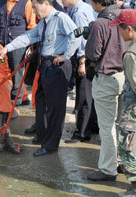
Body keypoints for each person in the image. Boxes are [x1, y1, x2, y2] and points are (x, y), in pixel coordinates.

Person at [0, 0, 80, 156]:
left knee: (55, 108)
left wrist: (66, 56)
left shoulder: (61, 18)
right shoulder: (45, 22)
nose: (33, 10)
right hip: (45, 64)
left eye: (35, 7)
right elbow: (29, 36)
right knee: (40, 100)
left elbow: (76, 35)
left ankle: (50, 145)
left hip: (57, 65)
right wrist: (7, 48)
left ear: (46, 3)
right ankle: (42, 136)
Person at [85, 0, 127, 181]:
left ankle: (108, 170)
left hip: (107, 76)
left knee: (107, 127)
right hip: (126, 75)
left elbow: (93, 53)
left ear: (96, 2)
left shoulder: (100, 23)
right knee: (122, 124)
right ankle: (123, 162)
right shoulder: (124, 15)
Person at [61, 0, 97, 143]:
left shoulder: (80, 12)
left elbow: (83, 40)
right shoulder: (85, 8)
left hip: (84, 59)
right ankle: (90, 127)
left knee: (84, 97)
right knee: (88, 96)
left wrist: (82, 62)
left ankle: (82, 132)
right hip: (89, 58)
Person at [109, 9, 136, 196]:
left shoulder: (130, 54)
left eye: (120, 28)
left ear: (129, 29)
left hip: (132, 110)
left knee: (129, 147)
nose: (119, 32)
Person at [0, 0, 37, 106]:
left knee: (17, 73)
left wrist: (31, 46)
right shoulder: (0, 2)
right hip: (0, 43)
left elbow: (32, 27)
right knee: (0, 70)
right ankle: (0, 97)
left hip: (18, 45)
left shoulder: (27, 3)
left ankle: (16, 101)